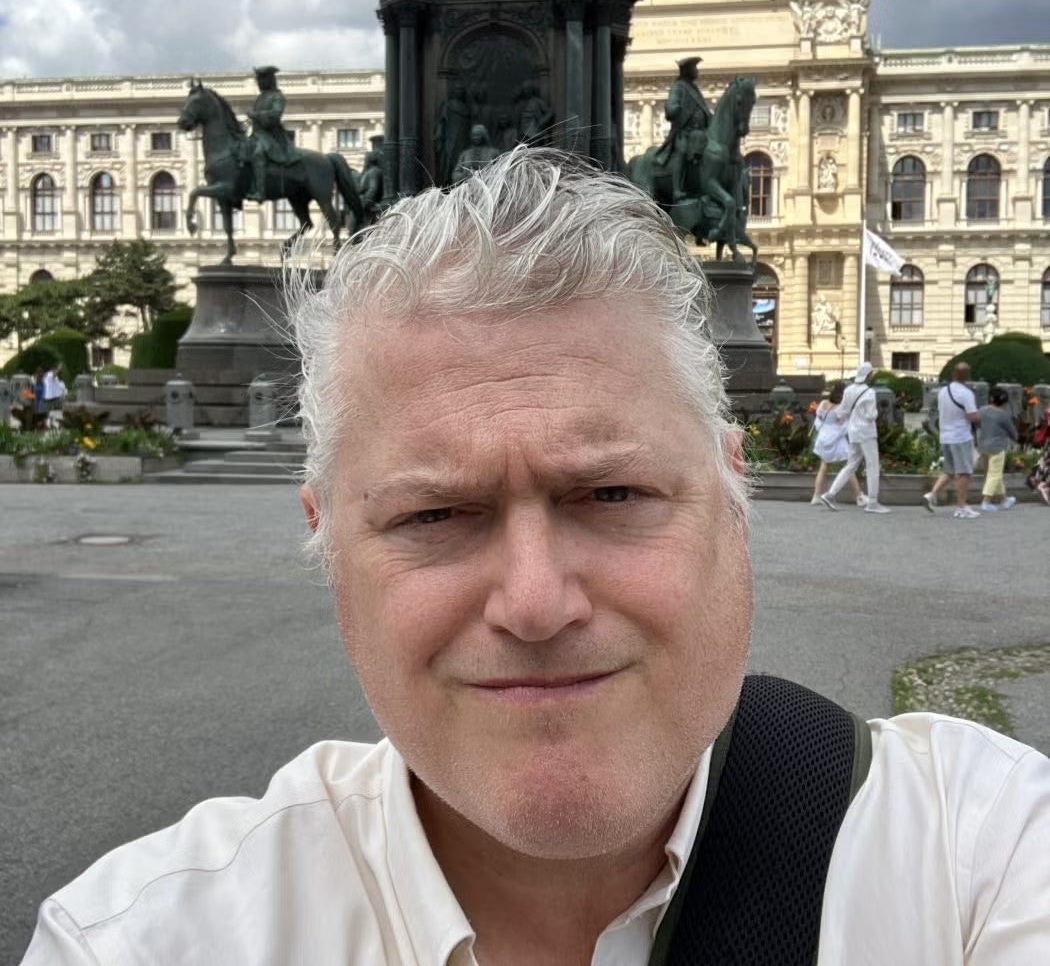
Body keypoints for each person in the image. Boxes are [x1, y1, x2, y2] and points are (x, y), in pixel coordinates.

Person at [23, 149, 1050, 964]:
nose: (535, 602)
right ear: (327, 546)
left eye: (611, 494)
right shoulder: (145, 940)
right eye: (433, 516)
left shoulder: (984, 861)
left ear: (735, 502)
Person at [818, 361, 890, 513]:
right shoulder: (870, 392)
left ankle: (830, 494)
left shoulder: (849, 389)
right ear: (869, 375)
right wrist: (876, 412)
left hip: (853, 431)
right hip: (867, 433)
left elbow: (840, 413)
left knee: (851, 465)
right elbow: (871, 415)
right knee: (872, 466)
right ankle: (872, 503)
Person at [924, 362, 982, 519]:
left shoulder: (943, 391)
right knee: (964, 473)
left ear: (953, 374)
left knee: (949, 471)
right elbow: (972, 416)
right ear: (967, 376)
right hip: (961, 436)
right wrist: (982, 415)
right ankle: (961, 507)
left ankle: (932, 494)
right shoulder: (966, 393)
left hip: (945, 436)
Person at [655, 56, 712, 202]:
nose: (697, 71)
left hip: (700, 133)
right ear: (687, 70)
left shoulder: (693, 88)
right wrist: (675, 108)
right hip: (684, 133)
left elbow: (703, 109)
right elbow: (671, 107)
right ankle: (677, 190)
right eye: (694, 68)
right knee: (681, 152)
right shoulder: (678, 86)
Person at [245, 65, 301, 202]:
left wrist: (255, 115)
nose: (259, 83)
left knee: (258, 153)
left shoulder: (278, 96)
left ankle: (260, 192)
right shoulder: (260, 98)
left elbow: (275, 115)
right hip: (257, 135)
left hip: (272, 137)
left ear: (269, 80)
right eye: (258, 80)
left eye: (262, 80)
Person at [810, 382, 865, 507]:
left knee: (823, 467)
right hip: (837, 442)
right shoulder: (842, 407)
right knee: (848, 468)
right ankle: (858, 497)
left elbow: (818, 420)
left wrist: (825, 432)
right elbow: (843, 426)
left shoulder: (823, 403)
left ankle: (816, 496)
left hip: (823, 439)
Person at [977, 386, 1018, 512]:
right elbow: (1013, 434)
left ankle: (1005, 499)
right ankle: (986, 502)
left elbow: (978, 423)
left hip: (983, 446)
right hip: (997, 448)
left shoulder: (982, 410)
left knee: (995, 474)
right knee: (994, 475)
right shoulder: (1004, 415)